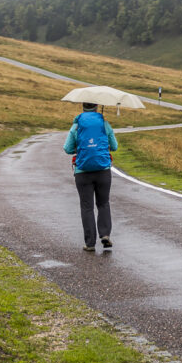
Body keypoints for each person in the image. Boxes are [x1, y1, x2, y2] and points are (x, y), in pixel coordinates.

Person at [63, 102, 118, 252]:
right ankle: (105, 234)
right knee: (103, 204)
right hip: (103, 171)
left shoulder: (76, 126)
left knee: (87, 207)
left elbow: (67, 148)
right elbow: (114, 146)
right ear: (96, 107)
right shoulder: (104, 124)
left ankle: (90, 243)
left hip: (82, 172)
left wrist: (79, 147)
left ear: (83, 106)